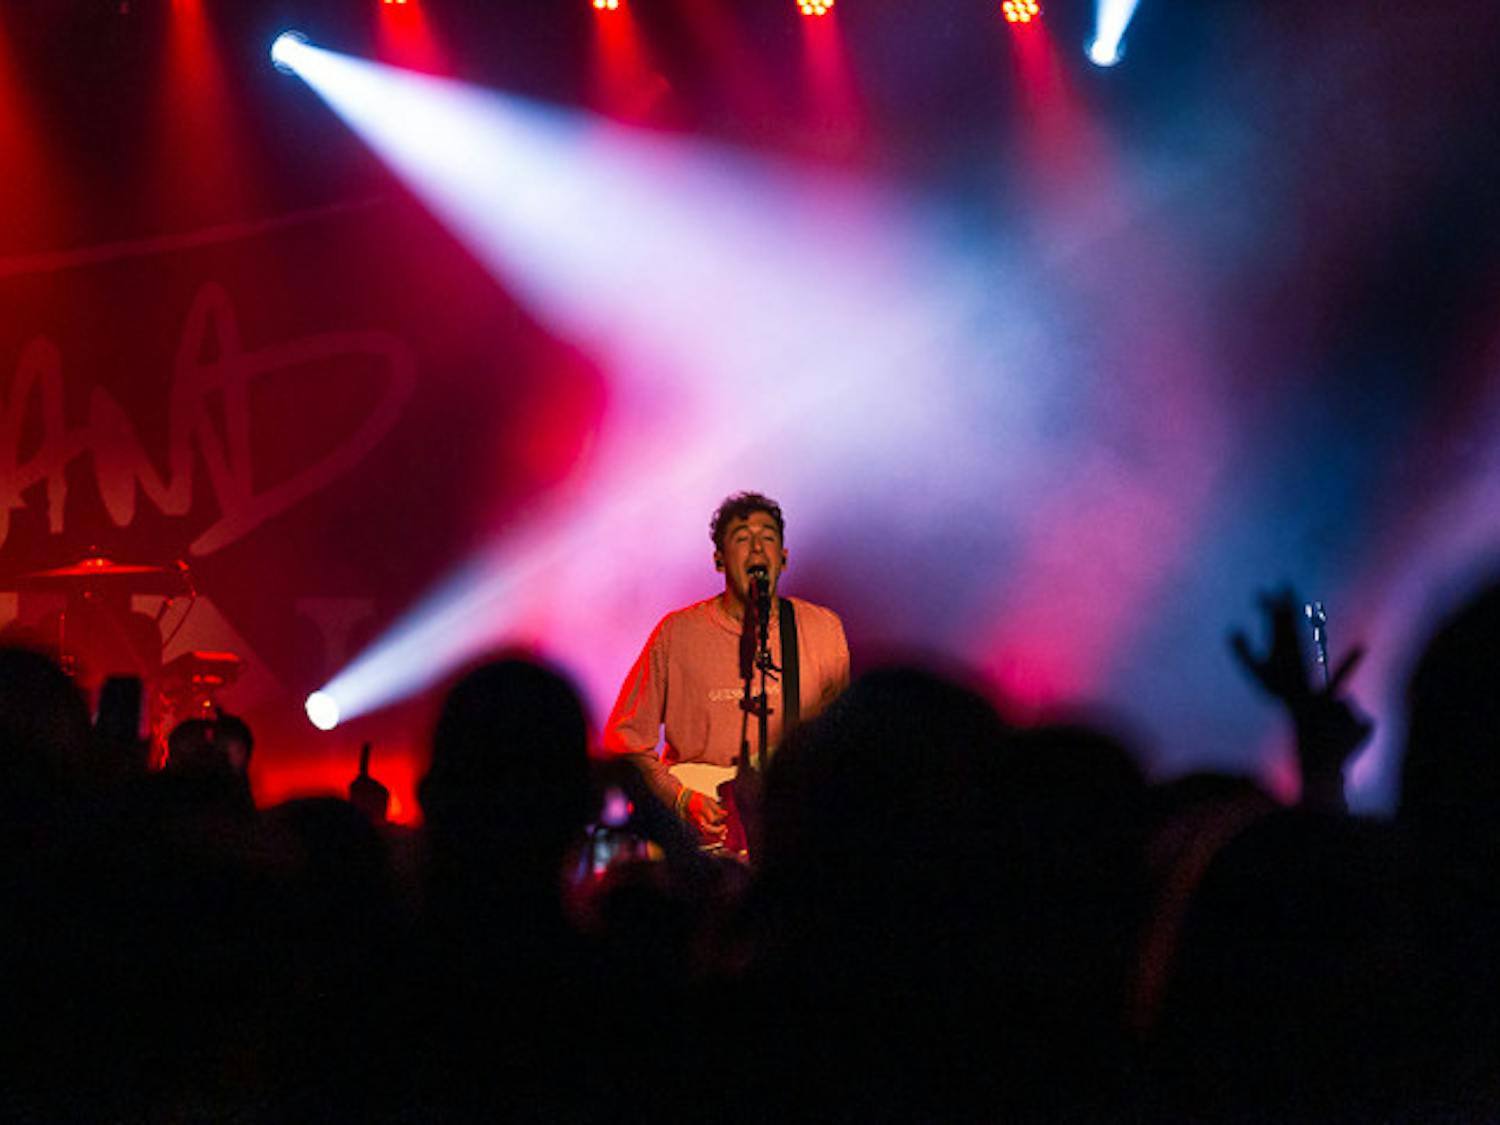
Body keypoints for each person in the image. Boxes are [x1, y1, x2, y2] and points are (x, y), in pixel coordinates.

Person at [602, 491, 849, 846]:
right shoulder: (677, 634)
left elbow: (837, 745)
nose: (757, 550)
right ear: (719, 560)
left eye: (768, 538)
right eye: (742, 540)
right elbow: (624, 742)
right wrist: (682, 798)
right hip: (702, 847)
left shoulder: (822, 630)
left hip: (785, 838)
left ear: (783, 557)